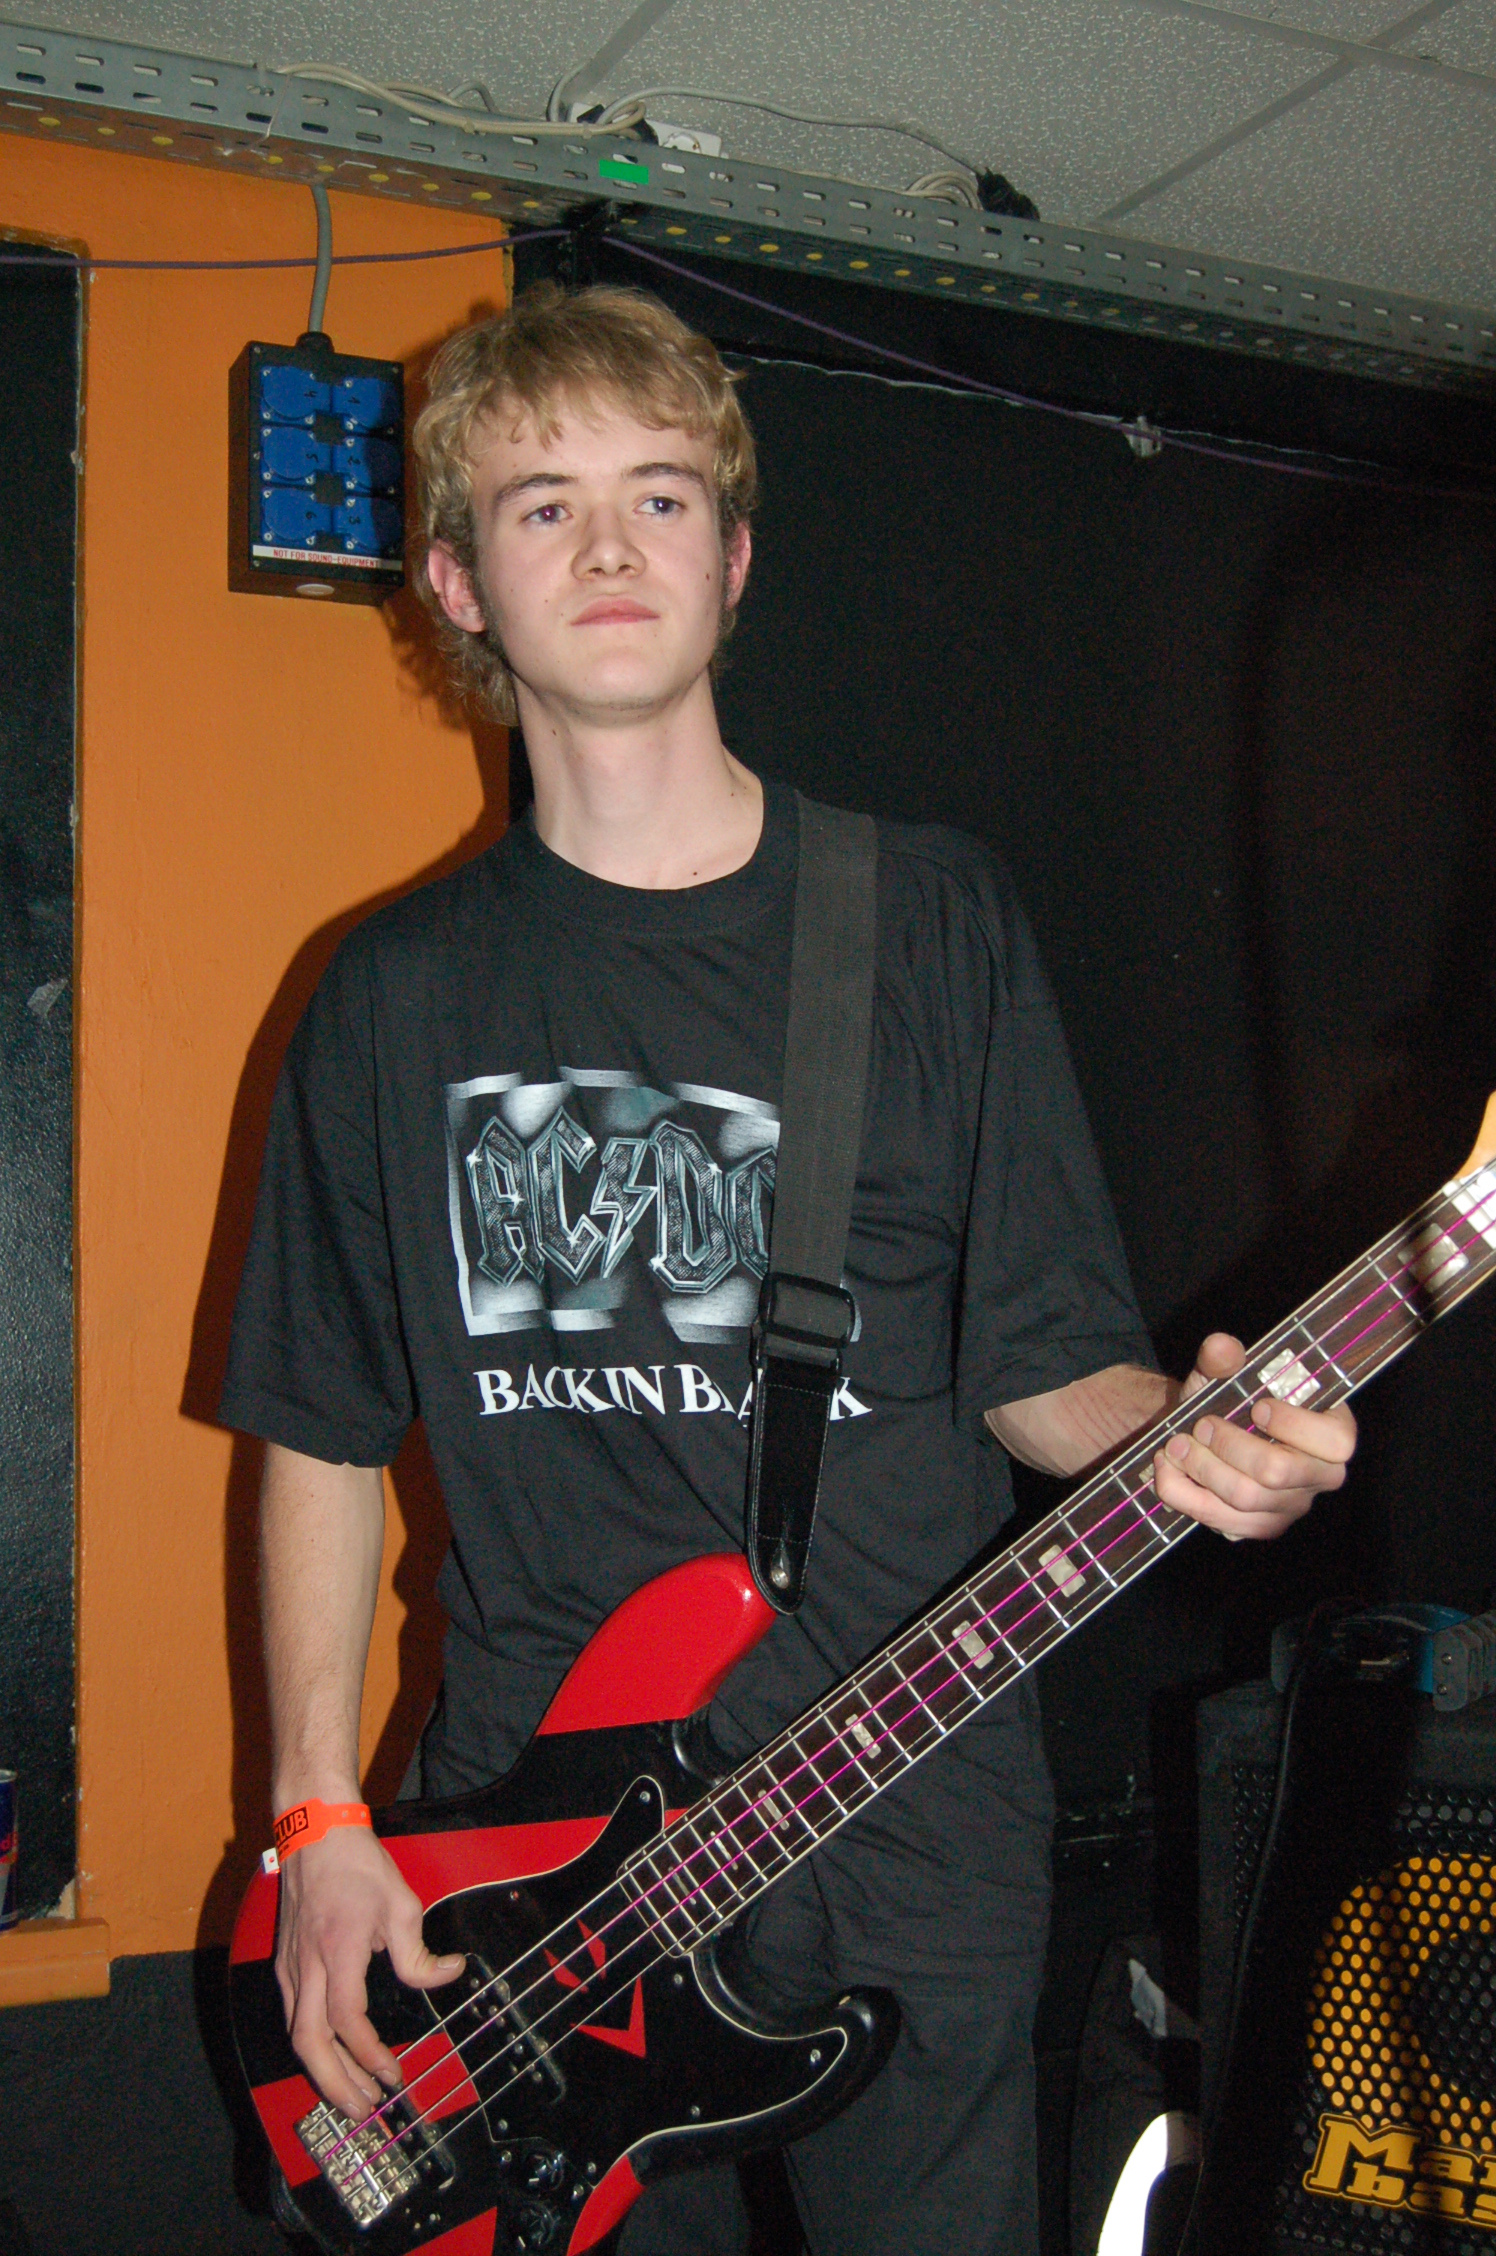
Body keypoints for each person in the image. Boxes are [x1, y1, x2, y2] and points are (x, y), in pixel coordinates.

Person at [219, 282, 1356, 2256]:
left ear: (734, 560)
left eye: (661, 497)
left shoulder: (926, 920)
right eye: (545, 504)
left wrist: (1185, 1438)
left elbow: (1040, 1370)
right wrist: (317, 1821)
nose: (610, 546)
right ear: (458, 584)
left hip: (910, 1814)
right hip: (527, 1859)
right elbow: (317, 1429)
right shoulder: (389, 996)